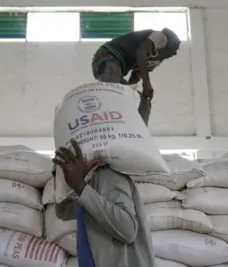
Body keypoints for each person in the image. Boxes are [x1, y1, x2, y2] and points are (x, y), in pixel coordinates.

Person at [52, 93, 154, 267]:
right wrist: (69, 184)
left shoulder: (109, 174)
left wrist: (80, 186)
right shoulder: (88, 179)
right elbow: (64, 212)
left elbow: (128, 229)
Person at [91, 28, 181, 100]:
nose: (172, 55)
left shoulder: (155, 60)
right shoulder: (160, 37)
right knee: (115, 92)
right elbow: (141, 52)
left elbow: (137, 74)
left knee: (124, 96)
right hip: (107, 56)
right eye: (172, 51)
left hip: (106, 65)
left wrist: (130, 90)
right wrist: (146, 83)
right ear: (168, 45)